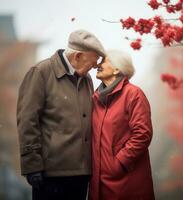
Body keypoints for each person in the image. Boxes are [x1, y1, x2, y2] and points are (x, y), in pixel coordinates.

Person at [16, 29, 105, 200]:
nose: (94, 68)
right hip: (50, 175)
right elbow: (27, 121)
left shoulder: (86, 79)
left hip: (82, 174)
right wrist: (32, 165)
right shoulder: (41, 72)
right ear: (78, 56)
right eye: (92, 63)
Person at [89, 50, 155, 200]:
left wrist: (118, 163)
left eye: (104, 61)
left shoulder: (133, 94)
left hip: (125, 182)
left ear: (117, 69)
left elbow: (143, 134)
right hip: (97, 183)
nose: (98, 65)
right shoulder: (95, 98)